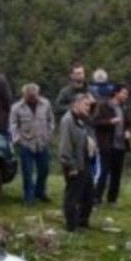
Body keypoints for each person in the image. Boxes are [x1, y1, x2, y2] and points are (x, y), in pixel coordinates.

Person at [9, 82, 56, 205]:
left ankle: (40, 192)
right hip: (26, 144)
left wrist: (48, 134)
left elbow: (51, 120)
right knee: (28, 172)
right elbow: (13, 125)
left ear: (37, 94)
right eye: (29, 96)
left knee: (44, 170)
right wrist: (18, 140)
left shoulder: (45, 104)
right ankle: (28, 196)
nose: (32, 98)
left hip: (42, 142)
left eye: (34, 95)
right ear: (24, 94)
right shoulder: (16, 107)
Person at [58, 94, 96, 232]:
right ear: (76, 104)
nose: (88, 108)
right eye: (86, 105)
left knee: (89, 195)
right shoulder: (67, 121)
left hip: (85, 162)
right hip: (74, 165)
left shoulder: (81, 119)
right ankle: (71, 226)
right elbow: (65, 147)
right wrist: (71, 166)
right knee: (72, 197)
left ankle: (82, 221)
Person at [90, 83, 131, 206]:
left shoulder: (124, 108)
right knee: (103, 172)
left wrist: (127, 131)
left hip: (121, 145)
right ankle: (96, 198)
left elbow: (128, 123)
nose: (126, 96)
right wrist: (110, 122)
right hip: (107, 145)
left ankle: (112, 199)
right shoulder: (104, 106)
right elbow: (95, 122)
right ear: (116, 93)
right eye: (124, 93)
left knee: (117, 173)